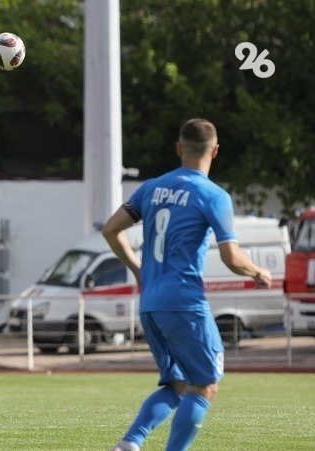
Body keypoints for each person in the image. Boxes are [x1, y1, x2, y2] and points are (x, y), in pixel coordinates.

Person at [101, 118, 272, 451]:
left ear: (179, 148)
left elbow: (110, 229)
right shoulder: (213, 195)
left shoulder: (151, 188)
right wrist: (257, 272)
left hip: (150, 302)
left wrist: (137, 269)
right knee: (205, 386)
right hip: (184, 302)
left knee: (179, 384)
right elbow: (231, 256)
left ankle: (129, 444)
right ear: (216, 151)